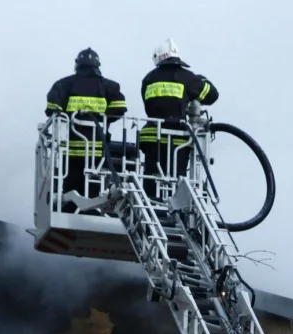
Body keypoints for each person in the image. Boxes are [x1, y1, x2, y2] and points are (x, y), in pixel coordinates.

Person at [45, 48, 128, 213]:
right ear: (97, 65)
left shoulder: (63, 84)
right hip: (96, 149)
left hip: (70, 149)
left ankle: (69, 212)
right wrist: (103, 118)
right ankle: (93, 212)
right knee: (95, 185)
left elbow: (52, 109)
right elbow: (120, 108)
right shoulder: (109, 86)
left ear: (77, 64)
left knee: (70, 184)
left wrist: (69, 116)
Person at [139, 38, 219, 201]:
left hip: (152, 136)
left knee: (151, 179)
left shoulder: (148, 79)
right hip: (177, 139)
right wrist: (202, 81)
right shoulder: (187, 78)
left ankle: (152, 205)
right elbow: (212, 95)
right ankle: (176, 210)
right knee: (177, 179)